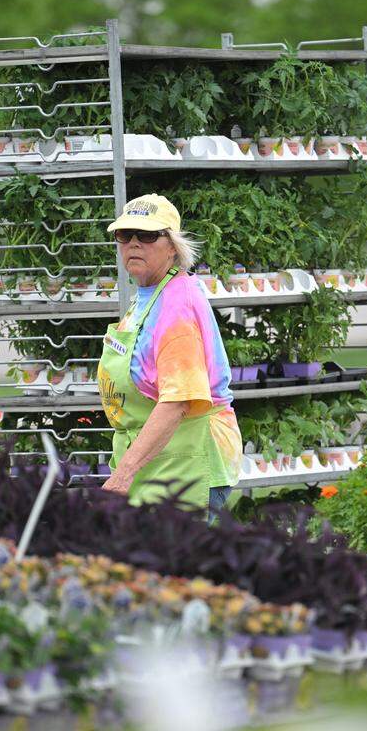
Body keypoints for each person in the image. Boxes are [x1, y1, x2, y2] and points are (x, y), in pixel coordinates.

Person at [97, 194, 242, 512]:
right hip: (158, 461)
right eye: (125, 235)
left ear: (173, 246)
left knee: (176, 562)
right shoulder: (147, 294)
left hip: (189, 462)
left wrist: (122, 476)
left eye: (147, 235)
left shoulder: (178, 304)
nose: (134, 244)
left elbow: (177, 402)